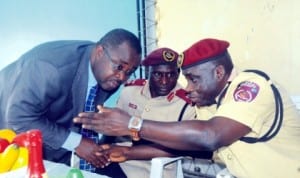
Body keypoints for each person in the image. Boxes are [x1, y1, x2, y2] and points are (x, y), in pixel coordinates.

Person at [74, 38, 300, 178]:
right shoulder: (209, 103)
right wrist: (127, 151)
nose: (188, 87)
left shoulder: (252, 87)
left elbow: (210, 137)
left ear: (218, 73)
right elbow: (192, 146)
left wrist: (133, 125)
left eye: (194, 79)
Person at [0, 28, 142, 178]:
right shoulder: (50, 67)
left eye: (129, 71)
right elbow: (19, 117)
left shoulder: (108, 76)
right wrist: (77, 142)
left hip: (44, 144)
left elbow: (68, 113)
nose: (122, 77)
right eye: (119, 67)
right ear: (100, 51)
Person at [103, 47, 197, 178]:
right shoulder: (130, 91)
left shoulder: (186, 104)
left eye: (171, 74)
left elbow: (184, 146)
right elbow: (112, 127)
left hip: (154, 170)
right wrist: (100, 148)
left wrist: (129, 152)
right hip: (118, 163)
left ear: (178, 73)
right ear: (148, 71)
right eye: (158, 74)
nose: (164, 81)